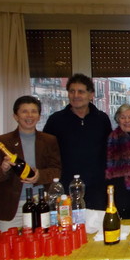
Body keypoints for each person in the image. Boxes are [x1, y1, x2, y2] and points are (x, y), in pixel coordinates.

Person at [0, 96, 61, 231]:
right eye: (24, 111)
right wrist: (2, 169)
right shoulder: (2, 142)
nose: (29, 115)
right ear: (15, 116)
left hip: (42, 203)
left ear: (39, 116)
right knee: (11, 249)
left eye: (34, 111)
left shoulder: (49, 140)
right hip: (12, 207)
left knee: (44, 247)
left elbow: (56, 170)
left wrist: (39, 176)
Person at [43, 73, 112, 210]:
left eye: (81, 91)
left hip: (97, 188)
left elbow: (109, 151)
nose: (76, 95)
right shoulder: (55, 121)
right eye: (72, 91)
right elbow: (46, 153)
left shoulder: (102, 119)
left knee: (97, 228)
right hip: (66, 188)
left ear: (91, 95)